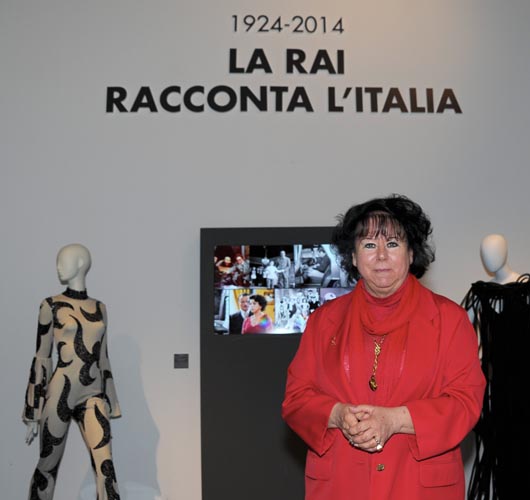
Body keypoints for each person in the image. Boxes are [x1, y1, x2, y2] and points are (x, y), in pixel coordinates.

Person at [281, 194, 486, 500]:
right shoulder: (323, 321)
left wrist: (395, 420)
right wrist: (337, 414)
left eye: (392, 244)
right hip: (340, 486)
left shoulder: (450, 319)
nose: (380, 256)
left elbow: (466, 402)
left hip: (419, 488)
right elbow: (296, 399)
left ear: (411, 253)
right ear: (353, 257)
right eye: (368, 245)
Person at [23, 243, 121, 500]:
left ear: (80, 264)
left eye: (62, 261)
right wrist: (33, 409)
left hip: (93, 394)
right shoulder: (51, 305)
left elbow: (103, 356)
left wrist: (110, 399)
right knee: (47, 466)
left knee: (106, 467)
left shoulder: (100, 308)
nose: (58, 266)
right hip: (60, 394)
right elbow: (42, 356)